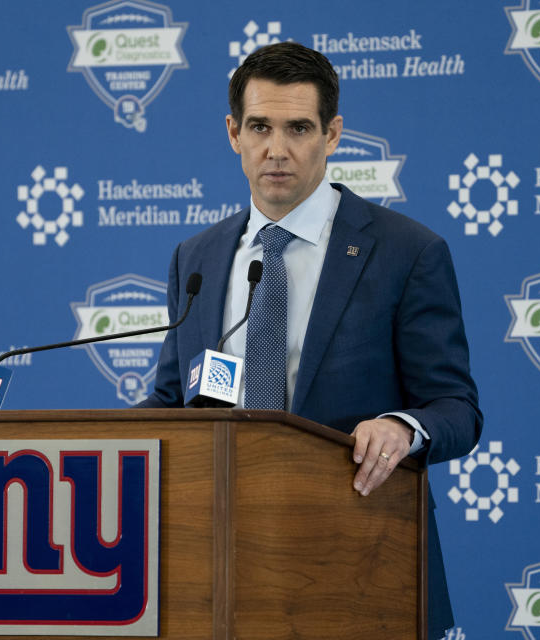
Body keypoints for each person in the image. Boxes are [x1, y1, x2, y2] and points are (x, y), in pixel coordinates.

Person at [136, 41, 482, 638]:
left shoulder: (407, 252)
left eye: (298, 127)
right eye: (259, 127)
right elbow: (170, 405)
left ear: (333, 133)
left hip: (360, 554)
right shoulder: (195, 258)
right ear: (232, 133)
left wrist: (402, 427)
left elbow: (456, 409)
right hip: (220, 562)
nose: (277, 149)